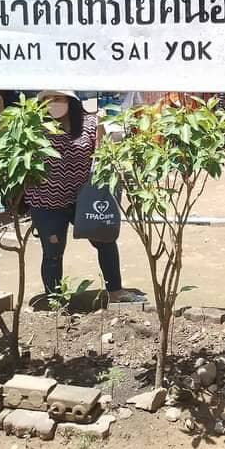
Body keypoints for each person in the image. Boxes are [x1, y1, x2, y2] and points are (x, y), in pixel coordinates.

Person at [26, 90, 142, 303]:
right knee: (53, 250)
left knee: (104, 240)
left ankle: (115, 291)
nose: (53, 104)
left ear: (70, 101)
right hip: (47, 200)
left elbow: (105, 154)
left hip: (85, 197)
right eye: (47, 101)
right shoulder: (34, 128)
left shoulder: (91, 123)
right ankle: (55, 300)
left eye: (58, 99)